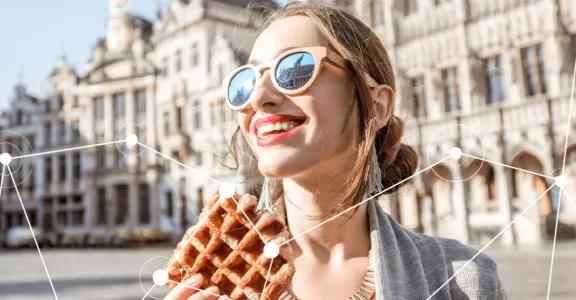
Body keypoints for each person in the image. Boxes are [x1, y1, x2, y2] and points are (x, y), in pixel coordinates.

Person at [165, 2, 507, 300]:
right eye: (245, 82)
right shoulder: (212, 284)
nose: (258, 98)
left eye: (294, 69)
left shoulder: (464, 280)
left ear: (376, 105)